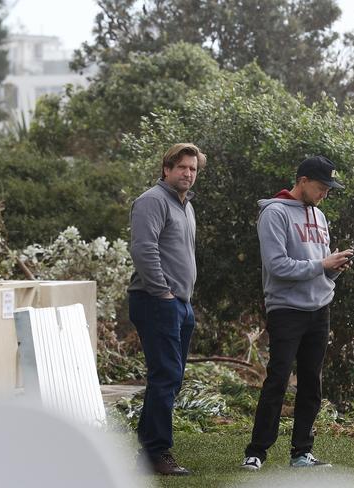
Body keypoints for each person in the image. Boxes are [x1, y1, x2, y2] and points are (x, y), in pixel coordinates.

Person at [241, 155, 353, 470]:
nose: (324, 195)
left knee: (311, 383)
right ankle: (256, 452)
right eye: (321, 187)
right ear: (302, 181)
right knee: (277, 380)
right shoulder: (273, 214)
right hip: (286, 310)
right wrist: (322, 264)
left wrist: (335, 268)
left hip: (320, 308)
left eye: (328, 190)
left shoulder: (319, 216)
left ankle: (301, 453)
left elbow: (320, 270)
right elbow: (277, 266)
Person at [128, 143, 206, 476]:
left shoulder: (184, 205)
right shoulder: (152, 201)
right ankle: (156, 452)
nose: (188, 173)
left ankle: (149, 450)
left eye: (193, 169)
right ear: (166, 169)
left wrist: (181, 299)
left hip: (179, 304)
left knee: (170, 379)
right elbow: (143, 250)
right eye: (182, 167)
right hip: (156, 300)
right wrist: (163, 293)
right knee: (165, 376)